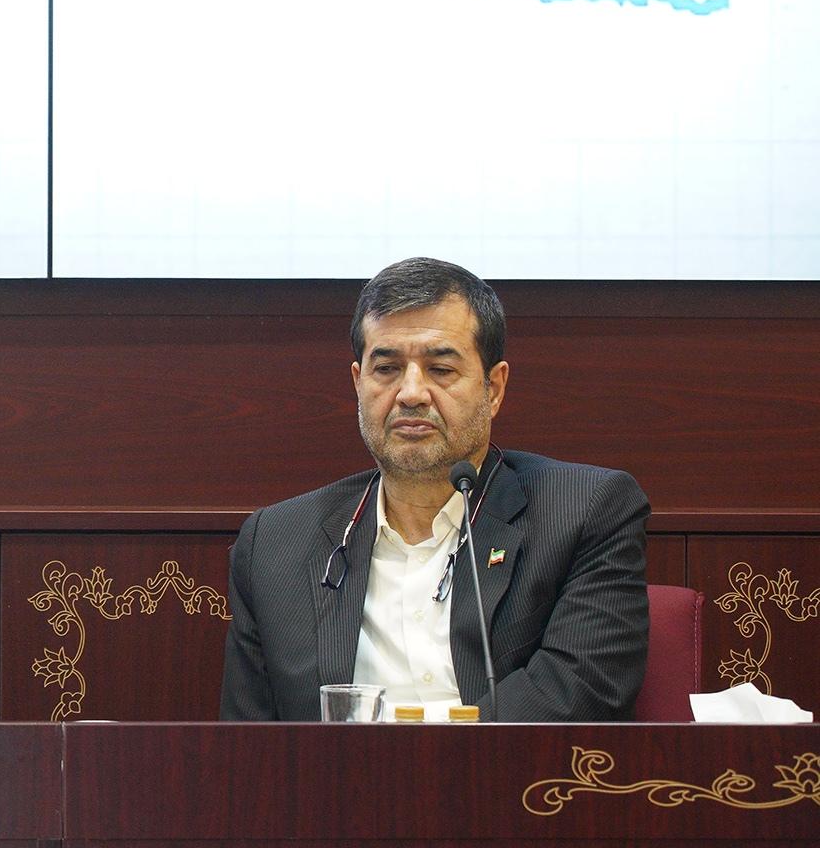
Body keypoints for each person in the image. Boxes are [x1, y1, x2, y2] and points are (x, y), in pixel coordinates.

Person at [221, 257, 649, 722]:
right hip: (335, 772)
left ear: (493, 388)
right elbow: (249, 743)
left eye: (441, 369)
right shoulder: (274, 545)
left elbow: (578, 694)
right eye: (387, 368)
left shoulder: (583, 511)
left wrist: (421, 757)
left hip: (505, 770)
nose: (411, 393)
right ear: (358, 384)